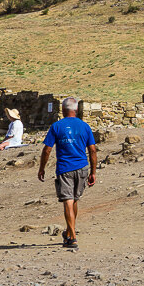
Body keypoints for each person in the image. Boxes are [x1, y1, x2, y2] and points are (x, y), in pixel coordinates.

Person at [37, 98, 98, 250]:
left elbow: (47, 150)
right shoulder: (85, 126)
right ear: (76, 110)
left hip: (65, 168)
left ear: (63, 110)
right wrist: (93, 172)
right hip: (82, 167)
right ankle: (69, 233)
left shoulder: (57, 126)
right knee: (75, 200)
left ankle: (73, 237)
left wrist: (42, 167)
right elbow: (92, 150)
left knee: (68, 201)